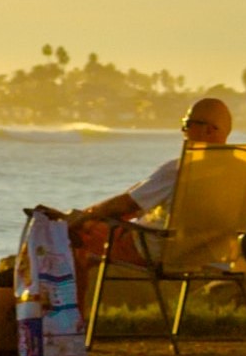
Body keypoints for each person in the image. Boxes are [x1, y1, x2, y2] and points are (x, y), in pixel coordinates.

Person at [65, 97, 235, 265]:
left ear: (209, 130)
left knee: (69, 237)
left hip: (150, 249)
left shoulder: (183, 169)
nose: (182, 130)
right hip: (203, 255)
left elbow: (125, 205)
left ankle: (64, 292)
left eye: (187, 124)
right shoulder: (239, 170)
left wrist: (84, 217)